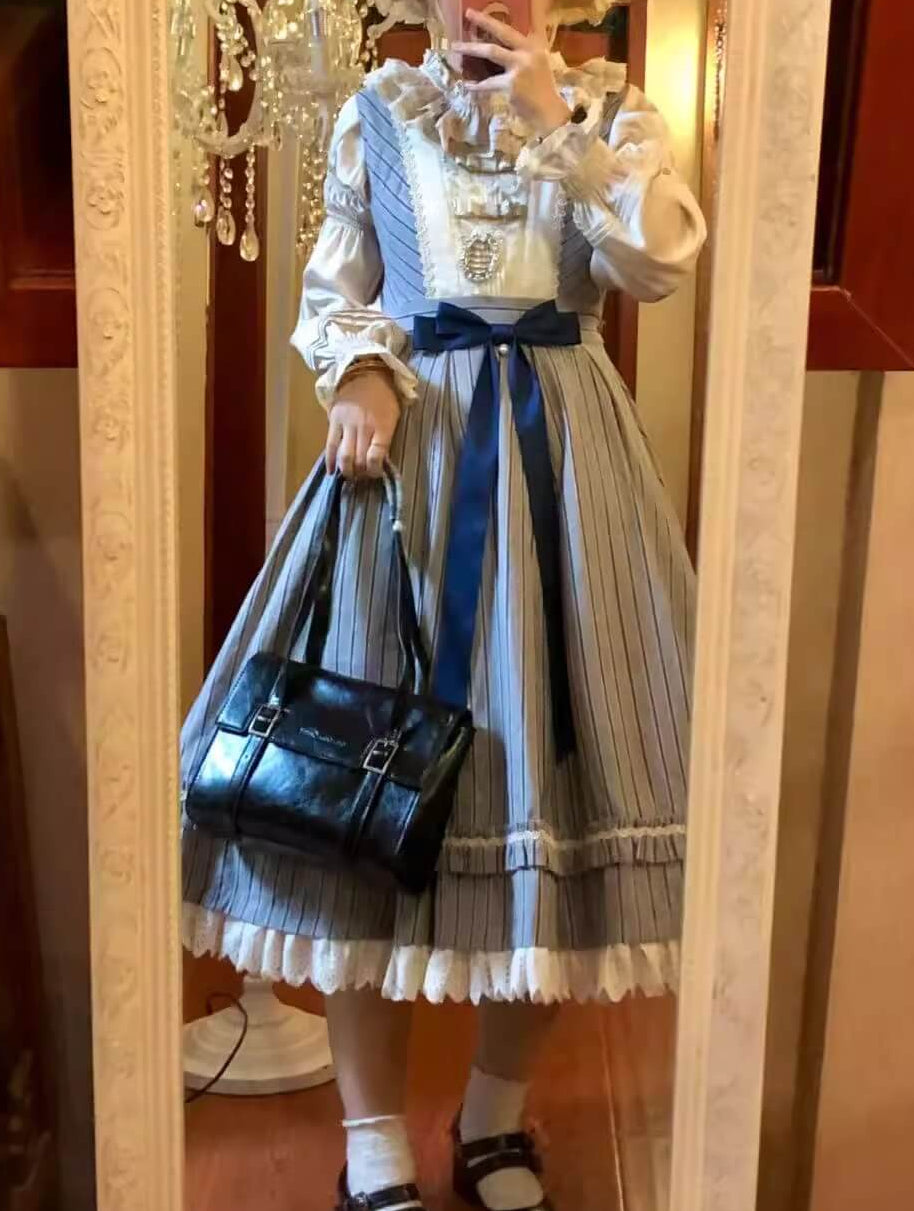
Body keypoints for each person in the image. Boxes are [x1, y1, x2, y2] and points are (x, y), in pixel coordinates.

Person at [180, 1, 706, 1207]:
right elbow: (336, 286)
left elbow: (659, 264)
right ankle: (372, 1133)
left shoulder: (614, 115)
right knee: (362, 801)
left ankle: (493, 1116)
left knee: (554, 802)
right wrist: (361, 369)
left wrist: (558, 124)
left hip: (567, 484)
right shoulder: (381, 112)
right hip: (412, 469)